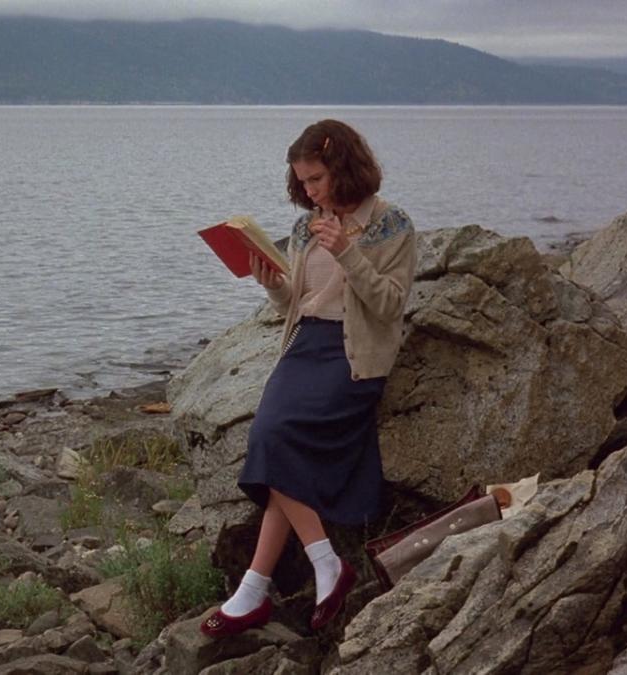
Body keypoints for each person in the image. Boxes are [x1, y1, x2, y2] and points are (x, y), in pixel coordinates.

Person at [201, 119, 417, 637]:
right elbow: (297, 305)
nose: (309, 191)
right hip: (303, 349)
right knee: (275, 443)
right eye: (302, 182)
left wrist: (347, 250)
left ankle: (264, 584)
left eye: (316, 179)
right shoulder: (305, 227)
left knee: (274, 440)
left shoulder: (392, 224)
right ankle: (298, 572)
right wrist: (273, 285)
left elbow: (389, 305)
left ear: (344, 169)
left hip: (352, 357)